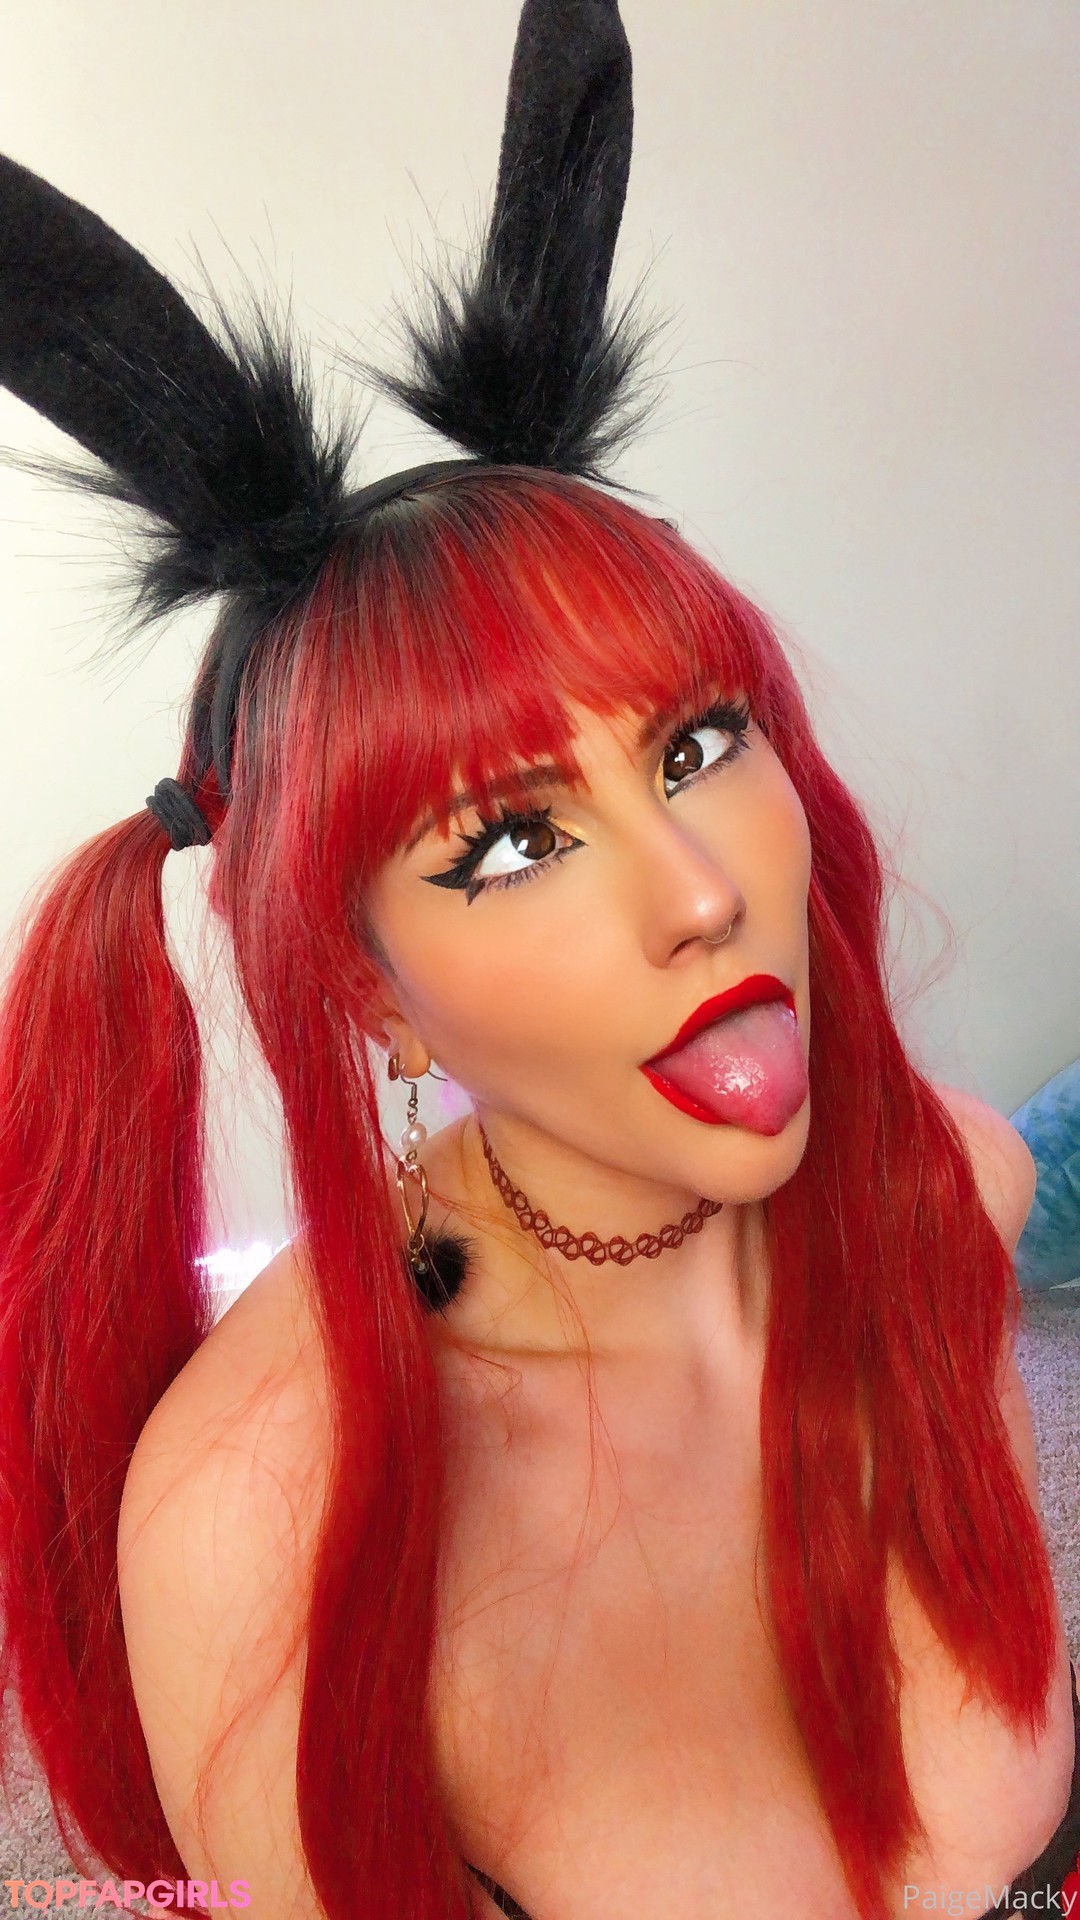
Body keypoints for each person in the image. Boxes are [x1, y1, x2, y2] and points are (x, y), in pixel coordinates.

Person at [0, 5, 1075, 1918]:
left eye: (698, 744)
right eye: (508, 842)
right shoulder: (265, 1527)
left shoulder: (950, 1205)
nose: (700, 892)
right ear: (362, 985)